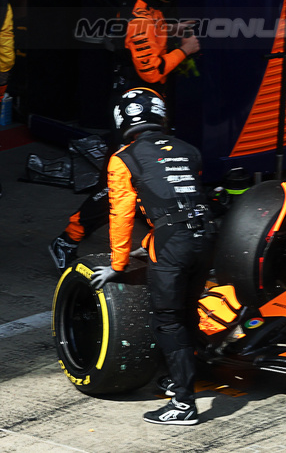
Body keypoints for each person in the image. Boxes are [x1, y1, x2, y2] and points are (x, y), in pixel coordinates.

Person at [49, 0, 201, 270]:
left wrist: (171, 29)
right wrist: (185, 50)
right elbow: (151, 70)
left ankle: (154, 243)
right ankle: (68, 238)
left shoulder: (147, 7)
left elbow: (147, 35)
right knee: (118, 186)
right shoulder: (139, 14)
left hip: (145, 106)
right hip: (133, 112)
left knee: (150, 176)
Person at [89, 87, 215, 425]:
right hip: (206, 236)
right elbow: (183, 196)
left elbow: (121, 214)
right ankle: (182, 377)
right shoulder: (188, 149)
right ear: (160, 114)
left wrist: (118, 264)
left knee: (167, 320)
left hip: (173, 243)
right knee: (187, 311)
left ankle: (183, 404)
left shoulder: (124, 157)